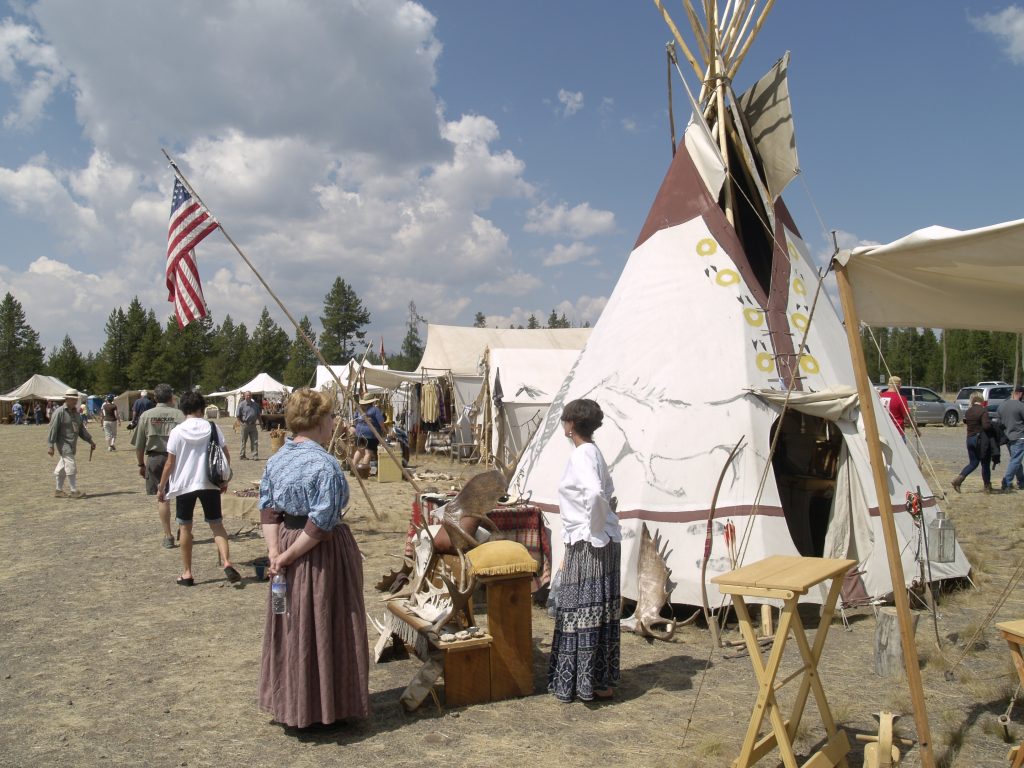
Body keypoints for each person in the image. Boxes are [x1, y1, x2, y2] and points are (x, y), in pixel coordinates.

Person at [258, 388, 369, 728]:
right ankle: (326, 707)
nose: (334, 422)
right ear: (319, 421)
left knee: (294, 624)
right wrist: (287, 555)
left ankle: (295, 703)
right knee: (326, 620)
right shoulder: (326, 465)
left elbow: (268, 510)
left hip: (289, 543)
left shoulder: (276, 459)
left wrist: (275, 553)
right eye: (331, 417)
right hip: (321, 555)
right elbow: (320, 523)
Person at [548, 398, 621, 703]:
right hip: (598, 539)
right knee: (596, 610)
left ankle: (583, 683)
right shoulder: (593, 452)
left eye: (565, 420)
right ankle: (596, 681)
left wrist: (592, 529)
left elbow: (594, 492)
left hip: (590, 543)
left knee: (583, 612)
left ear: (571, 425)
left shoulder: (582, 455)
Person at [157, 390, 240, 586]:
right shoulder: (212, 427)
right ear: (202, 408)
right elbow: (225, 455)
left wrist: (161, 487)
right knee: (216, 525)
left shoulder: (177, 431)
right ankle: (227, 562)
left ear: (183, 408)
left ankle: (187, 573)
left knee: (185, 527)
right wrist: (224, 480)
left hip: (185, 484)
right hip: (209, 482)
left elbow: (169, 463)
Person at [133, 383, 185, 548]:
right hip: (178, 459)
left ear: (155, 398)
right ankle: (183, 529)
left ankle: (167, 535)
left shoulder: (146, 415)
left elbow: (139, 445)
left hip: (155, 458)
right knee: (182, 496)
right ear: (171, 397)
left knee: (162, 497)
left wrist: (141, 464)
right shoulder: (180, 415)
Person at [47, 389, 97, 499]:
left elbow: (81, 429)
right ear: (67, 399)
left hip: (72, 444)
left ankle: (58, 490)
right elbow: (53, 429)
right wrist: (51, 445)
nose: (75, 401)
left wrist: (90, 441)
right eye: (73, 399)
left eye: (76, 399)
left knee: (63, 467)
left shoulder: (76, 413)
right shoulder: (59, 412)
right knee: (70, 464)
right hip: (63, 444)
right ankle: (74, 491)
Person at [951, 392, 999, 494]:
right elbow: (986, 426)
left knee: (973, 463)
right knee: (985, 463)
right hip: (980, 440)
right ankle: (987, 487)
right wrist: (992, 425)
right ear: (981, 400)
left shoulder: (969, 411)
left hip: (969, 439)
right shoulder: (983, 411)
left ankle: (958, 480)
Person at [996, 386, 1024, 492]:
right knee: (1016, 460)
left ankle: (1022, 481)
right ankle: (1006, 482)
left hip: (1007, 437)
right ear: (1020, 394)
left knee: (1016, 460)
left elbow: (999, 421)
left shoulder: (1002, 405)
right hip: (1019, 436)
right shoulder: (1021, 406)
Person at [878, 376, 918, 440]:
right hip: (897, 432)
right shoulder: (901, 398)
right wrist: (916, 430)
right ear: (899, 385)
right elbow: (907, 417)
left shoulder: (879, 397)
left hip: (882, 432)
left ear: (888, 384)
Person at [351, 395, 384, 470]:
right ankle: (363, 471)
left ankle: (353, 468)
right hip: (370, 434)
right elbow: (381, 422)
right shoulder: (375, 410)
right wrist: (384, 430)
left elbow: (355, 420)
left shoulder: (359, 410)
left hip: (359, 432)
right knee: (368, 453)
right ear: (372, 402)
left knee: (359, 451)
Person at [237, 390, 261, 460]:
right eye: (247, 395)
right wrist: (241, 423)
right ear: (244, 396)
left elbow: (258, 415)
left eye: (249, 395)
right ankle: (242, 455)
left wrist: (261, 424)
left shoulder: (255, 405)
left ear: (251, 396)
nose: (248, 396)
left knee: (255, 441)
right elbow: (238, 416)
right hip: (245, 424)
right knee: (243, 440)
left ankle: (255, 455)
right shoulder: (241, 404)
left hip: (253, 425)